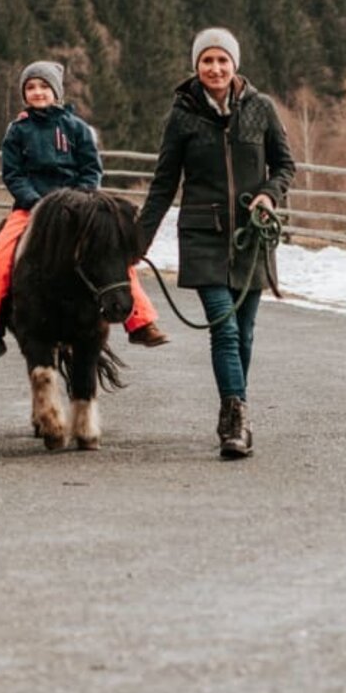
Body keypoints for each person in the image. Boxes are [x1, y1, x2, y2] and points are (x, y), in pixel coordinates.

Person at [138, 28, 295, 460]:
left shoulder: (261, 109)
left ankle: (232, 408)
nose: (215, 68)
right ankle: (236, 418)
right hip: (202, 237)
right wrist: (136, 242)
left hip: (251, 237)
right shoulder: (182, 117)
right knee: (224, 330)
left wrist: (269, 194)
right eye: (207, 61)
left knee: (244, 334)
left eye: (222, 60)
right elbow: (163, 184)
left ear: (235, 64)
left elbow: (285, 165)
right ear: (196, 66)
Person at [0, 60, 168, 373]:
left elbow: (91, 169)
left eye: (43, 87)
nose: (37, 92)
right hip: (30, 208)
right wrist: (36, 202)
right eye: (31, 87)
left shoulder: (77, 128)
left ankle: (140, 321)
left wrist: (80, 200)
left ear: (56, 92)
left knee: (116, 256)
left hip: (78, 209)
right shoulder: (17, 131)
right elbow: (13, 174)